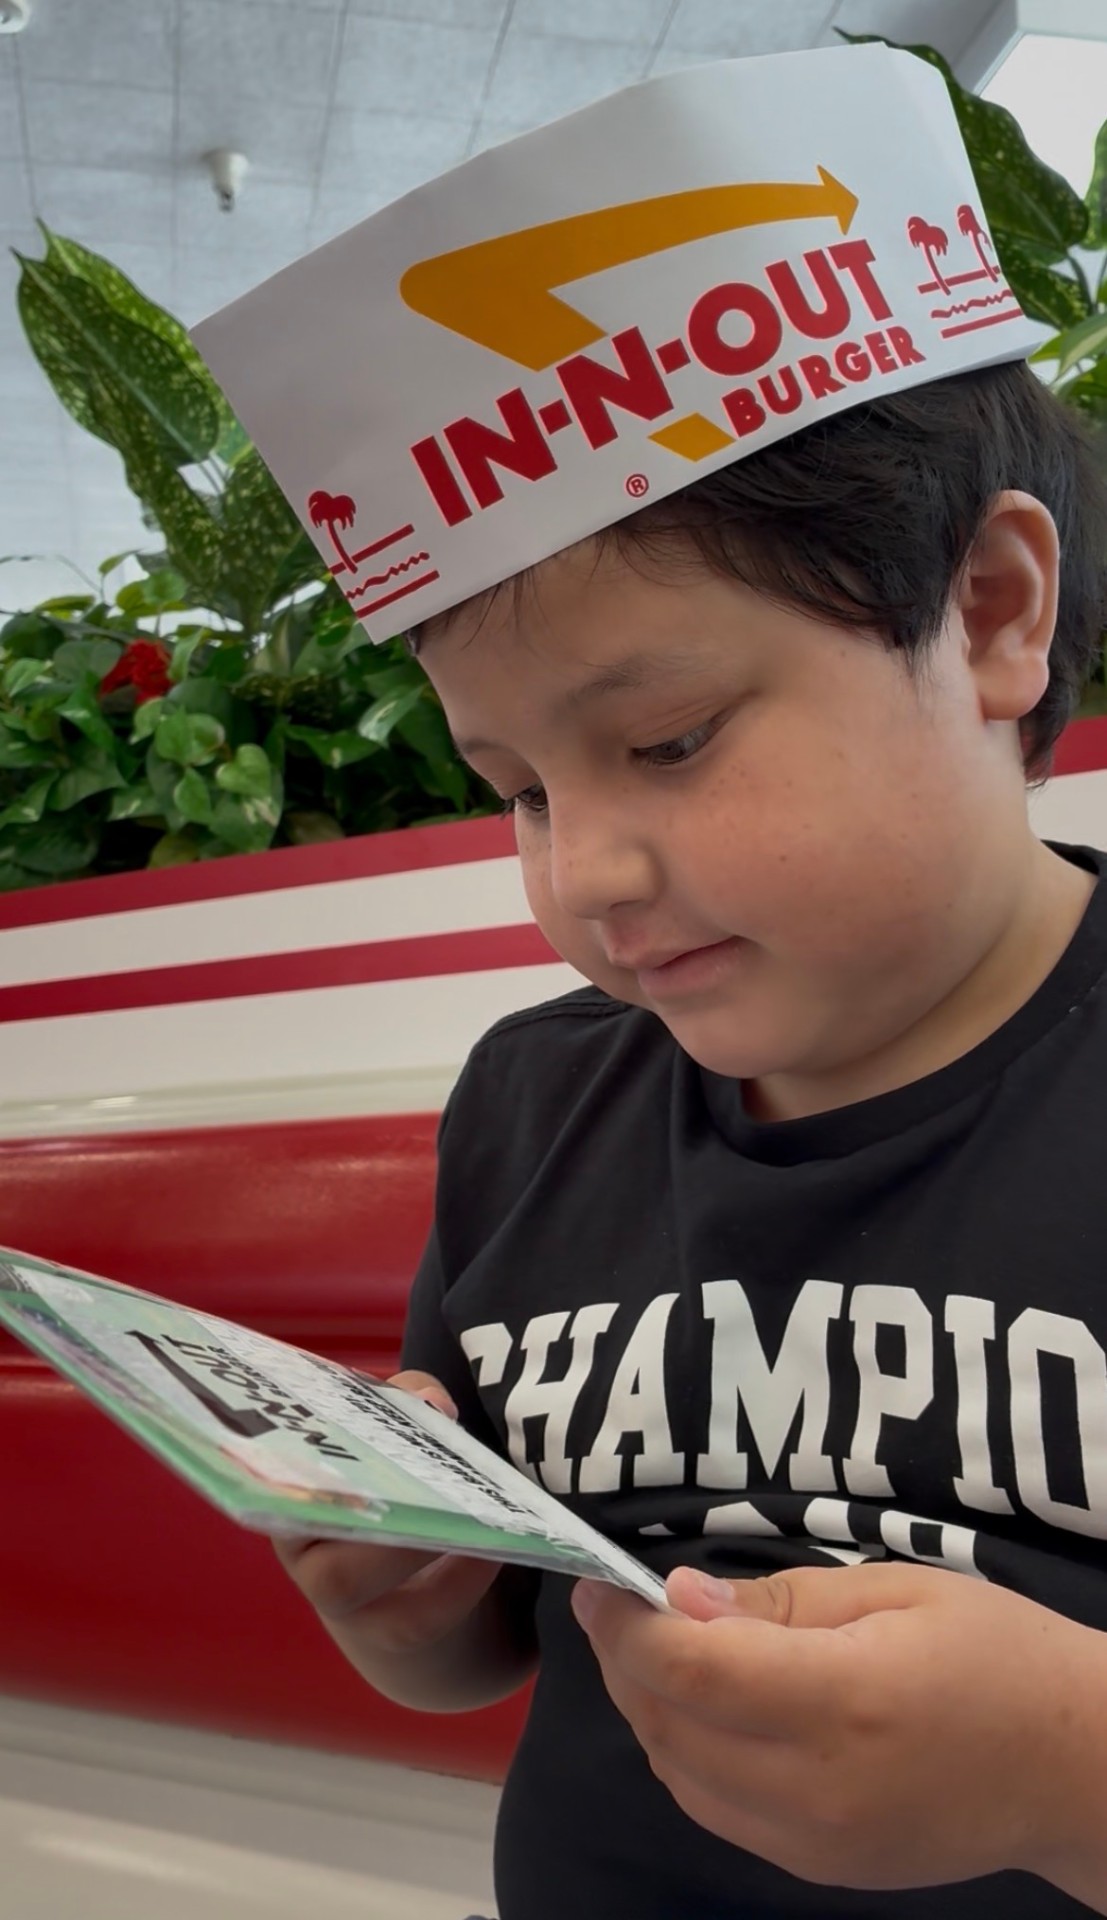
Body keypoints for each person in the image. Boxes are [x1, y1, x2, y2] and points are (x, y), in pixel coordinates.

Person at [198, 41, 1107, 1920]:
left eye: (672, 740)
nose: (580, 876)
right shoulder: (537, 1106)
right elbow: (492, 1656)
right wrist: (407, 1608)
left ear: (995, 614)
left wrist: (1071, 1774)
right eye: (518, 789)